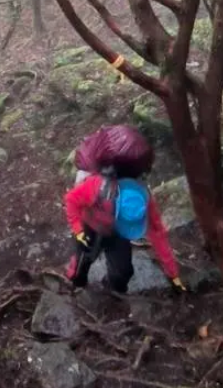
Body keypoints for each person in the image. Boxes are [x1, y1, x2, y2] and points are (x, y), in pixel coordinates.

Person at [64, 125, 185, 293]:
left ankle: (112, 291)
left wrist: (173, 274)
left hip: (116, 234)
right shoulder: (97, 186)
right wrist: (78, 230)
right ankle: (75, 286)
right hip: (91, 224)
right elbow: (71, 200)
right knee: (81, 266)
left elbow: (158, 235)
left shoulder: (142, 198)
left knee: (123, 272)